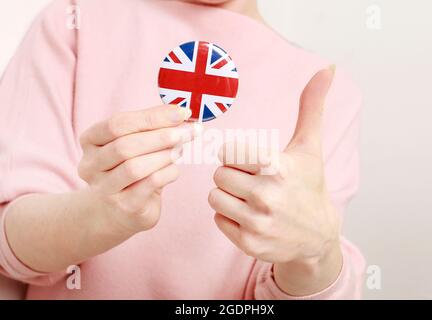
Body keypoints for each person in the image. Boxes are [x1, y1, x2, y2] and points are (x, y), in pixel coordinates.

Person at [0, 0, 365, 299]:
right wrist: (98, 215)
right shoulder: (74, 22)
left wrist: (314, 254)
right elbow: (8, 243)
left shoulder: (322, 90)